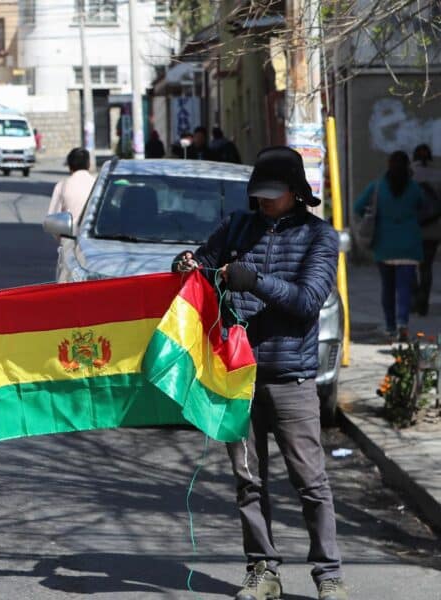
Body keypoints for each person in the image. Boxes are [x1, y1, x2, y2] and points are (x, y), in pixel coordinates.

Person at [173, 146, 347, 600]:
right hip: (237, 376)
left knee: (309, 480)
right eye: (260, 194)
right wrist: (188, 264)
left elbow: (308, 301)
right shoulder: (237, 227)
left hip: (291, 378)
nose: (266, 202)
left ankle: (328, 574)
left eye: (274, 194)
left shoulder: (319, 237)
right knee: (248, 480)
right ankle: (262, 569)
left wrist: (255, 281)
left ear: (296, 192)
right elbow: (204, 268)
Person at [355, 151, 425, 340]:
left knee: (387, 288)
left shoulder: (377, 187)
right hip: (409, 245)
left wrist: (373, 216)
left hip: (384, 245)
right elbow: (424, 206)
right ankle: (403, 322)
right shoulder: (413, 188)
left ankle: (390, 326)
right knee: (404, 288)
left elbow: (357, 207)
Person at [412, 144, 441, 315]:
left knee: (408, 266)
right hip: (433, 228)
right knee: (426, 267)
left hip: (412, 229)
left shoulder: (408, 175)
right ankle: (424, 303)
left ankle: (416, 298)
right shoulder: (438, 175)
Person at [47, 147, 95, 233]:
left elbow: (52, 220)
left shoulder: (62, 186)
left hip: (70, 239)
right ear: (89, 164)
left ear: (69, 166)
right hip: (94, 239)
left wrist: (64, 238)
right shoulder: (98, 185)